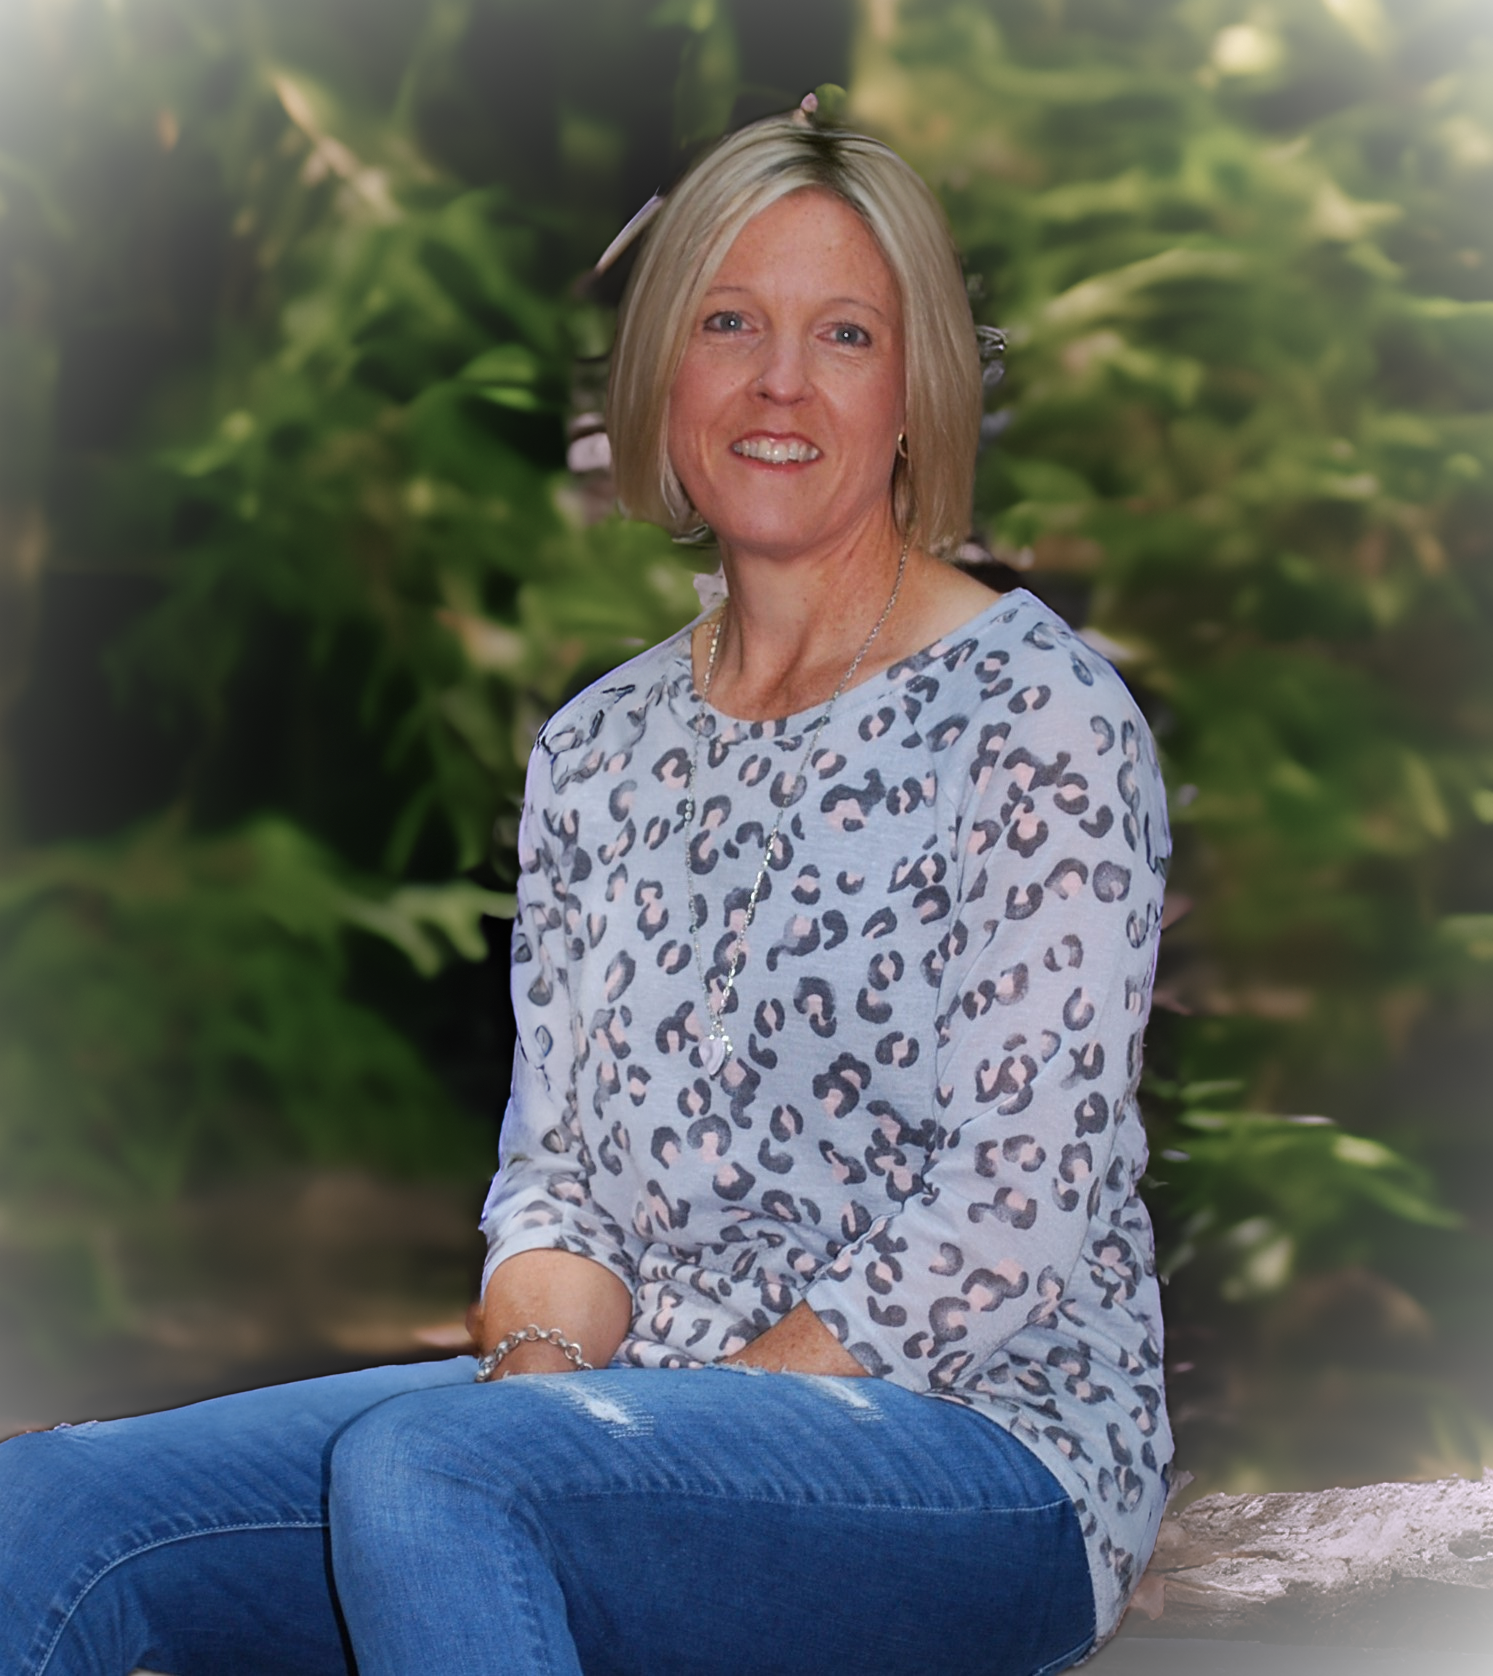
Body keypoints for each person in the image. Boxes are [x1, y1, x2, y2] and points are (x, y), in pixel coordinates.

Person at [0, 107, 1172, 1676]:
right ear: (661, 373)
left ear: (919, 389)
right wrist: (550, 1374)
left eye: (843, 333)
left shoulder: (1041, 718)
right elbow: (561, 1180)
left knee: (438, 1470)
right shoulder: (603, 747)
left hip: (978, 1456)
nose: (779, 382)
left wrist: (668, 1441)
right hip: (627, 1426)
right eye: (728, 322)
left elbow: (1005, 1221)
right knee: (51, 1509)